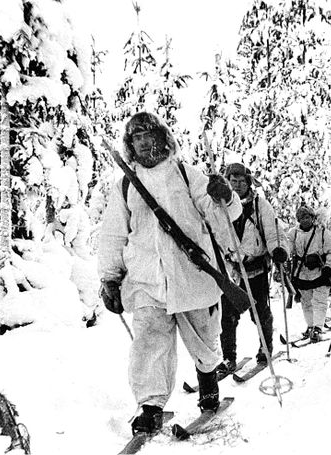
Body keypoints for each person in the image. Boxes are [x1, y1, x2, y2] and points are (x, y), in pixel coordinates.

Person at [98, 112, 241, 434]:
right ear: (130, 144)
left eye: (151, 134)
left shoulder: (187, 175)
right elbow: (113, 234)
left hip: (192, 274)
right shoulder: (124, 185)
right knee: (149, 345)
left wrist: (226, 196)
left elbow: (223, 214)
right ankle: (150, 405)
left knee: (204, 337)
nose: (146, 142)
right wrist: (109, 277)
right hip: (146, 278)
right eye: (138, 137)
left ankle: (207, 380)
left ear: (164, 137)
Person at [219, 163, 289, 372]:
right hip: (231, 270)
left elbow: (273, 232)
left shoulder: (260, 205)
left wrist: (278, 249)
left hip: (255, 267)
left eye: (242, 181)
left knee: (259, 311)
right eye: (233, 181)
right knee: (228, 315)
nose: (238, 185)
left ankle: (265, 347)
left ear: (248, 182)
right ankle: (228, 356)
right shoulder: (218, 205)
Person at [288, 205, 331, 341]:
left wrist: (330, 267)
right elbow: (288, 249)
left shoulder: (322, 233)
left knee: (319, 301)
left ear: (312, 217)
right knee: (306, 302)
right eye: (301, 218)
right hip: (302, 273)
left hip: (320, 271)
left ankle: (318, 327)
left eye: (307, 217)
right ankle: (310, 326)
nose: (304, 220)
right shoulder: (293, 234)